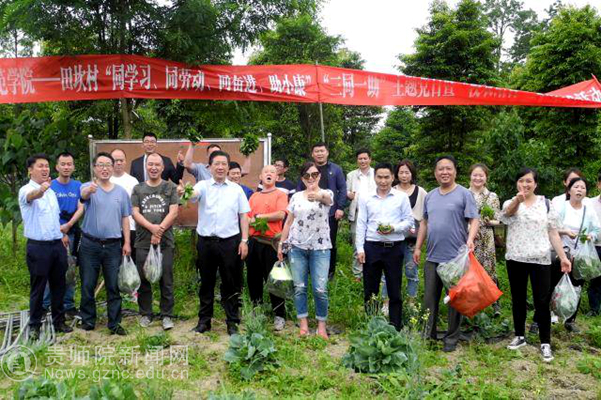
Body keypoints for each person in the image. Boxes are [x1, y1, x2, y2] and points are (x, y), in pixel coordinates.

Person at [500, 168, 571, 362]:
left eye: (529, 181)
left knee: (542, 301)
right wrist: (517, 201)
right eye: (521, 180)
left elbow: (553, 233)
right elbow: (506, 216)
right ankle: (520, 336)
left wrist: (563, 257)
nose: (525, 184)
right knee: (518, 299)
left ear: (535, 184)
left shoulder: (546, 204)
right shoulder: (510, 202)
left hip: (540, 259)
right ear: (517, 183)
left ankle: (545, 342)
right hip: (516, 258)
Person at [179, 150, 250, 336]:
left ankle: (232, 322)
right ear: (209, 167)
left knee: (230, 283)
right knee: (206, 282)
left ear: (228, 167)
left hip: (230, 243)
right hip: (206, 243)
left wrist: (244, 240)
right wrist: (185, 192)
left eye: (223, 164)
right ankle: (204, 321)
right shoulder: (203, 185)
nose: (220, 167)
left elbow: (244, 215)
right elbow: (192, 195)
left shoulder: (236, 189)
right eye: (216, 164)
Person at [413, 155, 479, 352]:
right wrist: (418, 247)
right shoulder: (430, 196)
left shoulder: (464, 194)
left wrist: (470, 238)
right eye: (440, 169)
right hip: (432, 257)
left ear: (455, 172)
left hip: (455, 259)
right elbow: (424, 223)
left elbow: (474, 219)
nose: (444, 172)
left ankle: (451, 338)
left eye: (448, 168)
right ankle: (428, 336)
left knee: (455, 301)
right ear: (435, 173)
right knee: (429, 300)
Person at [18, 153, 73, 340]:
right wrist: (41, 190)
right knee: (39, 287)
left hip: (57, 244)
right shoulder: (26, 190)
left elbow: (53, 218)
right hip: (38, 247)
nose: (45, 169)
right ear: (30, 170)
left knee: (59, 285)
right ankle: (35, 325)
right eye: (40, 166)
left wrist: (62, 235)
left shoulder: (51, 192)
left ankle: (59, 321)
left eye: (47, 166)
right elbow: (32, 196)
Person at [356, 163, 413, 331]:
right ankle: (371, 325)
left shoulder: (401, 197)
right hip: (371, 246)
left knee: (394, 289)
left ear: (393, 177)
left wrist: (393, 228)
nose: (383, 181)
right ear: (375, 178)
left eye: (386, 177)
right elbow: (361, 223)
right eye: (379, 177)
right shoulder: (366, 197)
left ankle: (395, 327)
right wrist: (360, 249)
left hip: (394, 247)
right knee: (370, 289)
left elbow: (409, 221)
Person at [79, 152, 132, 335]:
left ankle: (114, 323)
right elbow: (83, 196)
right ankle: (88, 321)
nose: (105, 168)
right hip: (90, 244)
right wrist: (89, 191)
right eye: (100, 165)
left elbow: (125, 218)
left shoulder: (121, 192)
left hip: (113, 246)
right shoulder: (88, 187)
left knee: (113, 286)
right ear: (94, 168)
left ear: (113, 167)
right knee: (88, 283)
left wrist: (127, 242)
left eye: (108, 164)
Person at [279, 162, 333, 339]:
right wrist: (281, 244)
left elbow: (328, 200)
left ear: (319, 176)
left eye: (314, 175)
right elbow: (288, 222)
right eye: (307, 175)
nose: (311, 178)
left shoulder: (326, 193)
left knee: (320, 289)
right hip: (296, 247)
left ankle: (321, 325)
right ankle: (303, 324)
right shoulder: (295, 197)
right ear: (302, 179)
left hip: (321, 248)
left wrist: (317, 196)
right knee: (299, 287)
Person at [131, 153, 179, 331]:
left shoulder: (170, 187)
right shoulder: (138, 188)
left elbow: (173, 212)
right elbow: (135, 213)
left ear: (162, 167)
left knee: (166, 279)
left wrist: (159, 231)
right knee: (144, 278)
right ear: (146, 167)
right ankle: (146, 314)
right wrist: (152, 228)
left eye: (157, 165)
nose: (153, 167)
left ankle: (167, 315)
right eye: (150, 164)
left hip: (165, 242)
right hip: (143, 241)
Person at [553, 177, 599, 332]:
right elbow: (551, 228)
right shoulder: (562, 208)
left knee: (577, 286)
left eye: (583, 188)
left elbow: (597, 230)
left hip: (580, 256)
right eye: (576, 187)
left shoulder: (588, 210)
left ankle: (570, 320)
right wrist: (565, 231)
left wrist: (591, 236)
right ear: (569, 190)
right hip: (560, 253)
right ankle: (551, 315)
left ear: (586, 192)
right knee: (554, 284)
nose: (579, 190)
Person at [246, 165, 288, 331]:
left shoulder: (281, 194)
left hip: (271, 243)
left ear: (277, 177)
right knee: (253, 278)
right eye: (266, 172)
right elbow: (246, 218)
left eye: (272, 172)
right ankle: (257, 310)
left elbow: (281, 214)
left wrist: (259, 217)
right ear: (260, 177)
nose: (269, 174)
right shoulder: (254, 196)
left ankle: (279, 314)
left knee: (274, 279)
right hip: (254, 241)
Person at [42, 152, 84, 317]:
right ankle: (45, 305)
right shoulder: (50, 186)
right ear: (57, 167)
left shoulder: (78, 186)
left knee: (70, 270)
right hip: (52, 234)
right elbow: (46, 211)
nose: (66, 167)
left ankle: (68, 305)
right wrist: (60, 231)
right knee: (49, 269)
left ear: (73, 167)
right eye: (63, 164)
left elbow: (81, 207)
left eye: (69, 164)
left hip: (71, 233)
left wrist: (69, 225)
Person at [297, 143, 346, 280]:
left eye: (322, 151)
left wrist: (340, 207)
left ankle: (329, 272)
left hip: (330, 213)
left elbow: (342, 189)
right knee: (308, 240)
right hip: (308, 214)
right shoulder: (308, 169)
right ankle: (309, 271)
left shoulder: (336, 169)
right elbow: (299, 188)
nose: (319, 153)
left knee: (330, 242)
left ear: (327, 152)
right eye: (316, 151)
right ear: (312, 154)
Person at [389, 160, 427, 301]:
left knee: (412, 270)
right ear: (396, 174)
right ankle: (388, 302)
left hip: (413, 238)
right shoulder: (391, 191)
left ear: (412, 174)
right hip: (394, 236)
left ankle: (411, 301)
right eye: (401, 172)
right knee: (390, 271)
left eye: (407, 172)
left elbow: (425, 216)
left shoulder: (421, 192)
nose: (404, 175)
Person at [468, 163, 502, 316]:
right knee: (469, 269)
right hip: (468, 237)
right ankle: (472, 303)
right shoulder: (463, 194)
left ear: (486, 177)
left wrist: (489, 221)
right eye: (475, 175)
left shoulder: (492, 196)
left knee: (489, 268)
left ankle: (494, 302)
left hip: (486, 237)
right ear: (470, 176)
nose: (478, 178)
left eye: (481, 175)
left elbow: (498, 220)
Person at [346, 149, 376, 281]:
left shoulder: (376, 173)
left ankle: (373, 272)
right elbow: (346, 191)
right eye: (360, 159)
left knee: (374, 243)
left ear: (370, 159)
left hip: (374, 214)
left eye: (365, 158)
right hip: (357, 213)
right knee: (357, 243)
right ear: (357, 160)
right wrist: (349, 195)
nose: (363, 161)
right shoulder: (351, 175)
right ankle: (357, 274)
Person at [110, 148, 139, 262]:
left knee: (130, 263)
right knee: (112, 264)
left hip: (130, 228)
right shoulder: (105, 180)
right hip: (110, 231)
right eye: (115, 160)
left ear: (125, 162)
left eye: (121, 160)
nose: (118, 163)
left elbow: (137, 206)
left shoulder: (133, 181)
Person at [589, 171, 601, 316]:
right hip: (595, 246)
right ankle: (594, 309)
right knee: (595, 278)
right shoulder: (590, 203)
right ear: (598, 185)